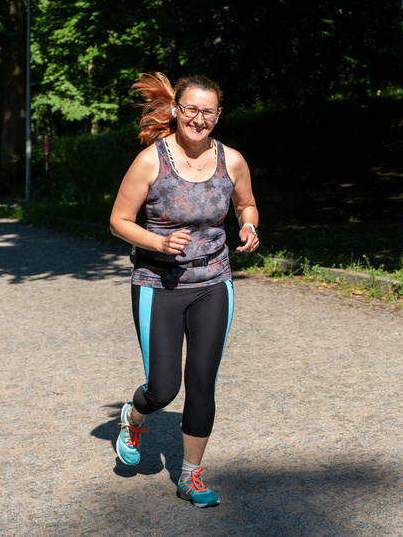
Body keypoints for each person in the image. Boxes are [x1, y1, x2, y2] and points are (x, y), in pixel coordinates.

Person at [109, 72, 259, 508]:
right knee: (164, 387)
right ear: (176, 109)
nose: (198, 118)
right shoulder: (150, 162)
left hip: (214, 282)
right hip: (158, 283)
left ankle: (191, 476)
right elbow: (119, 220)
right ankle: (134, 417)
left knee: (202, 382)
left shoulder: (231, 160)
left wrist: (248, 225)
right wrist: (157, 242)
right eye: (190, 109)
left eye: (208, 111)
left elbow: (245, 203)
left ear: (218, 115)